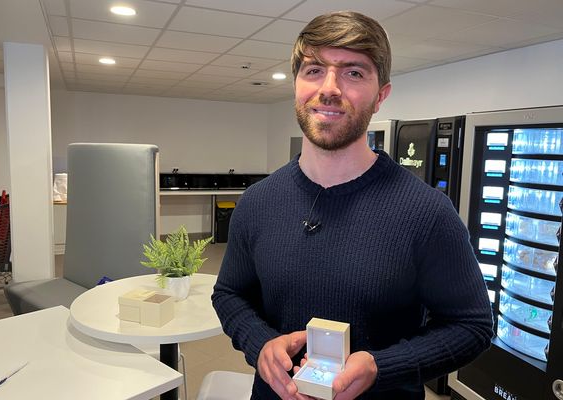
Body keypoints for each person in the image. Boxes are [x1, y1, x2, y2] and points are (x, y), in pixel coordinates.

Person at [211, 10, 493, 400]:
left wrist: (382, 366)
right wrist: (260, 345)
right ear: (296, 84)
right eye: (313, 70)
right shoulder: (258, 202)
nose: (329, 88)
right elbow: (229, 294)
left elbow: (472, 325)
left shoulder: (426, 212)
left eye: (353, 73)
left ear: (381, 96)